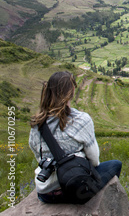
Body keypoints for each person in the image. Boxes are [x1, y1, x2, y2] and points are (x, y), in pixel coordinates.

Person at [29, 71, 122, 203]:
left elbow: (40, 158)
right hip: (75, 189)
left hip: (46, 193)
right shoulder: (81, 120)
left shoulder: (37, 124)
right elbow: (94, 161)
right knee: (115, 164)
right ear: (72, 91)